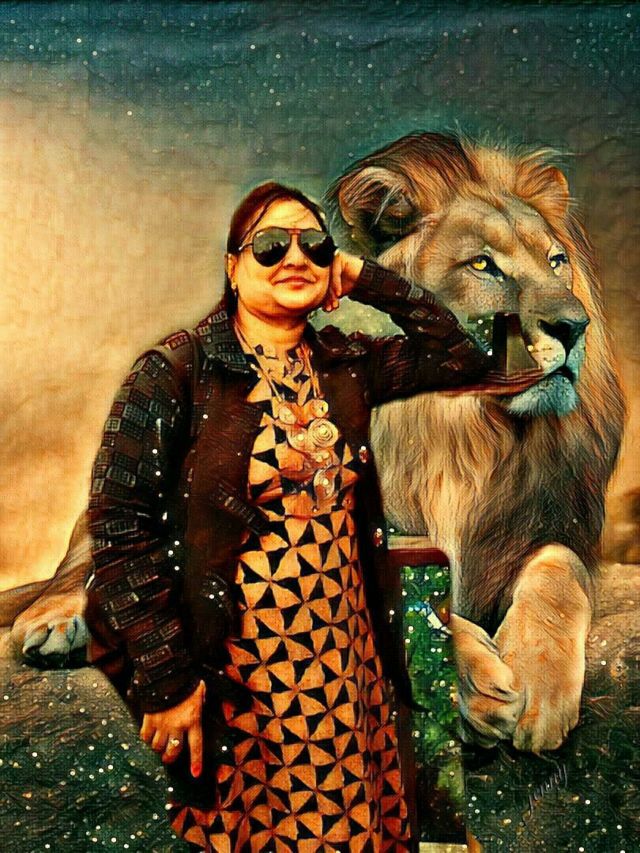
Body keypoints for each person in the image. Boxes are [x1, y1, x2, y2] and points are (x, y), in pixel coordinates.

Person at [84, 182, 536, 852]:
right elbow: (120, 530)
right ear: (233, 266)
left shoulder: (345, 364)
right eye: (270, 245)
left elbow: (462, 355)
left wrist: (367, 279)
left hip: (349, 661)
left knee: (355, 823)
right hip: (247, 672)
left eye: (315, 245)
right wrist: (165, 679)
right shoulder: (175, 372)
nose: (295, 257)